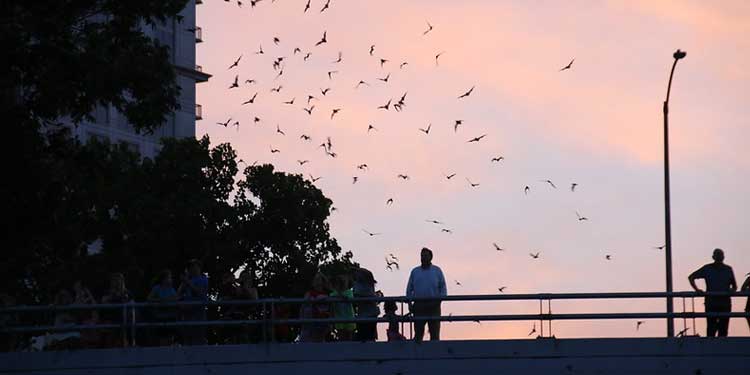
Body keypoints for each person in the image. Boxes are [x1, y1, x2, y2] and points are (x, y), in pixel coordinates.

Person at [688, 248, 737, 337]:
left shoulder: (728, 269)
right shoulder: (707, 268)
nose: (719, 257)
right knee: (711, 328)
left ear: (723, 257)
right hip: (712, 303)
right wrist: (697, 290)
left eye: (721, 255)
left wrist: (731, 291)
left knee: (723, 329)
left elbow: (734, 287)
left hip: (724, 303)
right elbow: (691, 277)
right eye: (718, 255)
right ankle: (711, 347)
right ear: (713, 257)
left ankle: (721, 348)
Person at [405, 247, 447, 342]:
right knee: (418, 334)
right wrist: (410, 304)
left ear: (431, 257)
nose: (423, 258)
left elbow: (443, 288)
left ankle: (434, 353)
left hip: (434, 305)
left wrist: (439, 301)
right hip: (419, 305)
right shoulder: (415, 271)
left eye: (425, 256)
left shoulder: (437, 271)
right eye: (422, 256)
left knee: (434, 333)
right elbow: (409, 289)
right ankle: (417, 355)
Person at [177, 259, 209, 345]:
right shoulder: (188, 280)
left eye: (194, 266)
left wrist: (187, 282)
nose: (192, 269)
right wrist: (185, 281)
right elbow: (178, 293)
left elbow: (200, 293)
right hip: (187, 312)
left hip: (198, 312)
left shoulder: (203, 279)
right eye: (191, 267)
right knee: (187, 337)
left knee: (199, 336)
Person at [100, 273, 133, 347]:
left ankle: (129, 343)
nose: (117, 282)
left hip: (124, 320)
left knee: (123, 340)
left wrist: (123, 296)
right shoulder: (108, 292)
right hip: (111, 319)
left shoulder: (127, 292)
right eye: (115, 280)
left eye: (119, 280)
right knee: (110, 340)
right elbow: (103, 301)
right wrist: (112, 296)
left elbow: (131, 303)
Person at [147, 269, 178, 346]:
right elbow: (149, 299)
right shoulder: (157, 288)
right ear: (163, 279)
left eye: (170, 278)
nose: (170, 280)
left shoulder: (172, 289)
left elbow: (176, 299)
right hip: (160, 317)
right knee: (162, 338)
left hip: (170, 316)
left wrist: (168, 301)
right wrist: (160, 301)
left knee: (170, 338)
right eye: (169, 278)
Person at [299, 272, 331, 342]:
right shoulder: (308, 294)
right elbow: (302, 309)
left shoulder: (327, 295)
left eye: (318, 279)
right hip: (308, 327)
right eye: (315, 279)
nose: (316, 281)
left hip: (321, 327)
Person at [353, 268, 380, 341]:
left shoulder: (368, 285)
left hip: (370, 313)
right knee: (363, 334)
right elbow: (357, 294)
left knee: (369, 334)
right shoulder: (357, 284)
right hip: (362, 314)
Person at [329, 274, 355, 341]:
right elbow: (331, 298)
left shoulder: (349, 292)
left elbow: (349, 298)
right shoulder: (333, 293)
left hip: (349, 318)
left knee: (350, 337)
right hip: (339, 318)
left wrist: (340, 296)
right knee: (341, 337)